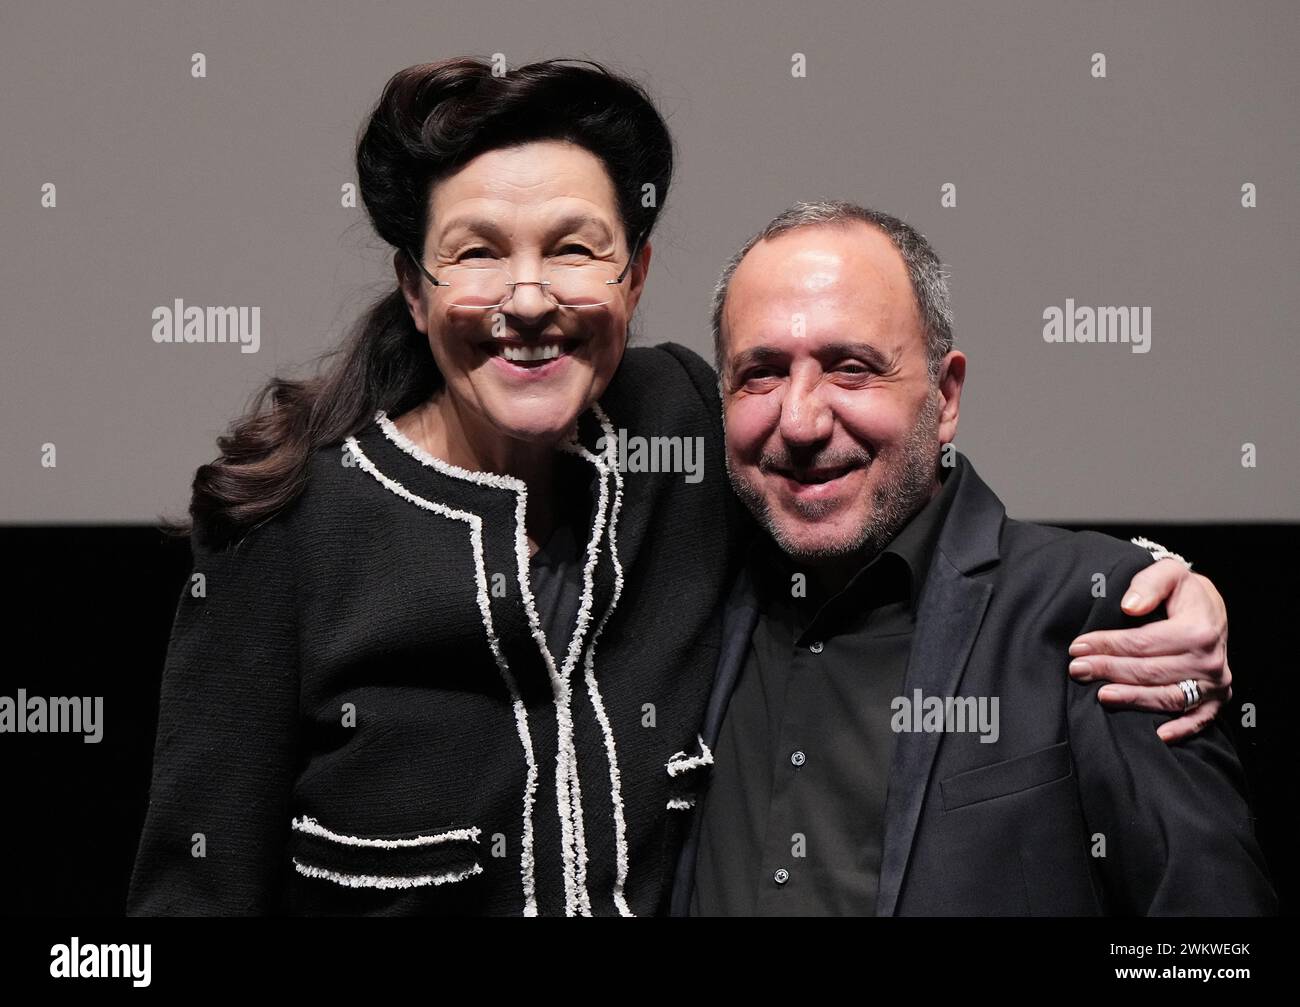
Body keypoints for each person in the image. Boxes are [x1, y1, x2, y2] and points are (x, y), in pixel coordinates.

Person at [127, 59, 1233, 917]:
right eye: (473, 253)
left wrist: (1154, 581)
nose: (526, 296)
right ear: (415, 291)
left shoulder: (682, 433)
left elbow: (888, 493)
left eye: (574, 247)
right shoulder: (289, 537)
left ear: (635, 276)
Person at [676, 201, 1275, 915]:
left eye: (852, 368)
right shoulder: (682, 598)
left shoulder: (1102, 615)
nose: (801, 421)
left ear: (946, 395)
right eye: (762, 373)